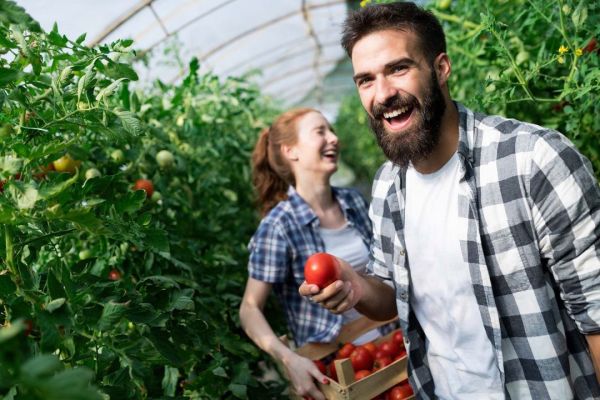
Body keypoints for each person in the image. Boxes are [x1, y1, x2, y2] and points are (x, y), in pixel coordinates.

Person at [299, 2, 600, 399]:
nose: (383, 94)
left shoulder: (533, 161)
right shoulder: (388, 188)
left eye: (398, 68)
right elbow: (392, 295)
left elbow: (596, 314)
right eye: (365, 80)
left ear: (441, 68)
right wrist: (355, 283)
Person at [239, 108, 396, 400]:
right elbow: (249, 309)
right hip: (335, 374)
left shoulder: (353, 202)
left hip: (388, 352)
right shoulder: (279, 225)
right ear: (291, 151)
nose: (333, 139)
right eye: (320, 132)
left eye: (332, 130)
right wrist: (287, 357)